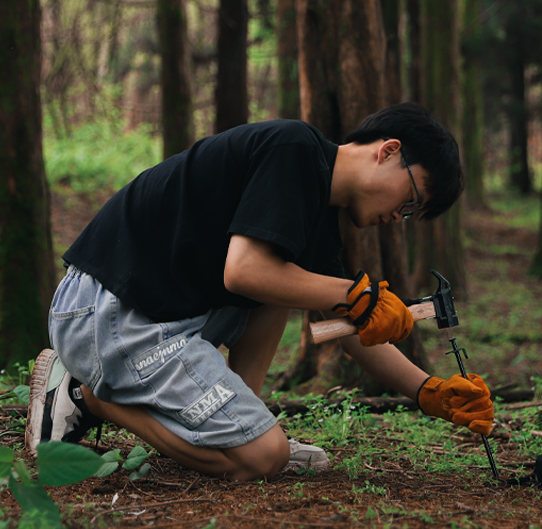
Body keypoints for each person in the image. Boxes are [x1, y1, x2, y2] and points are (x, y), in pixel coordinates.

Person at [26, 103, 494, 480]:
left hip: (157, 315)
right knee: (263, 458)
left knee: (288, 285)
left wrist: (427, 390)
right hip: (106, 311)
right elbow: (243, 272)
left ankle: (237, 422)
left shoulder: (317, 218)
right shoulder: (293, 148)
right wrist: (356, 294)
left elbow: (344, 326)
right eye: (410, 201)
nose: (399, 217)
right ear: (389, 151)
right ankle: (87, 394)